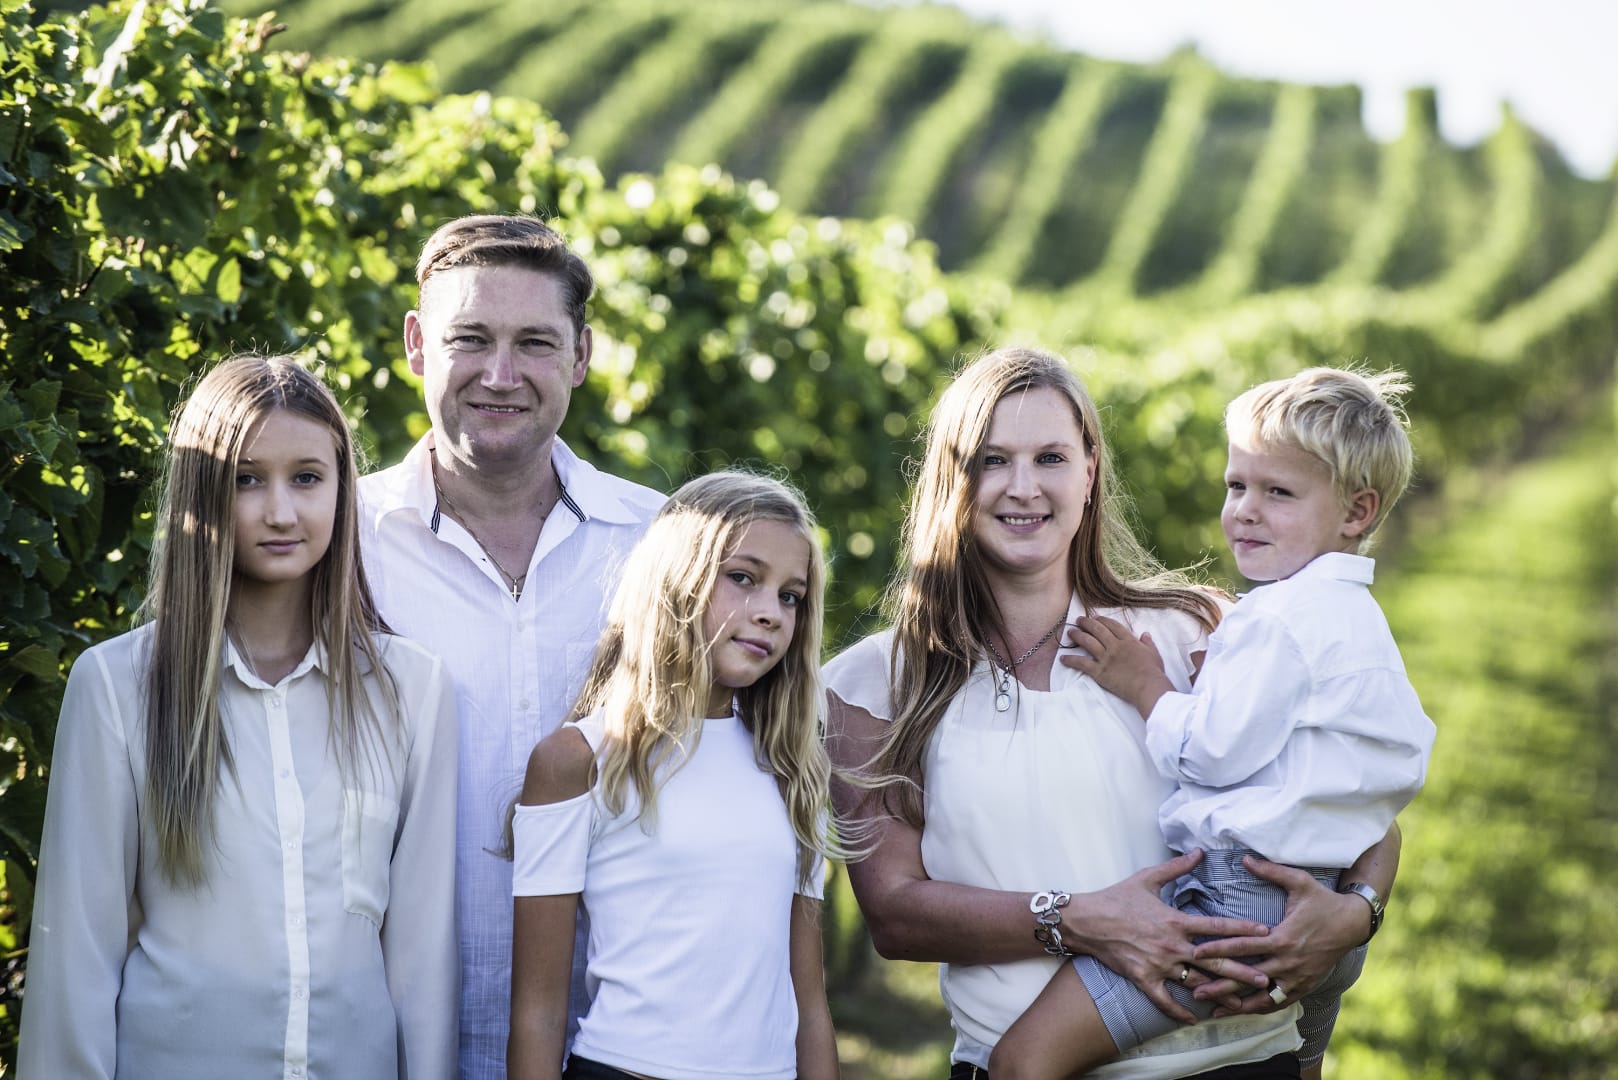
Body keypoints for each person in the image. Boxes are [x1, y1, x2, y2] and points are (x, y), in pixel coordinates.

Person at [826, 347, 1402, 1079]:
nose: (1023, 487)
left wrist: (1355, 913)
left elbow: (1355, 805)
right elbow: (896, 915)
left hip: (1243, 1061)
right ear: (953, 476)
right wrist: (1078, 919)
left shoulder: (1197, 633)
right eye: (992, 460)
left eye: (1051, 458)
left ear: (1090, 469)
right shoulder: (875, 684)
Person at [990, 366, 1436, 1079]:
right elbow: (1386, 767)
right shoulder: (1358, 622)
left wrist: (1149, 686)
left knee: (1023, 1059)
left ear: (1356, 512)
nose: (1245, 512)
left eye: (1278, 493)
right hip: (1322, 908)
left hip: (1237, 903)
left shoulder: (1277, 619)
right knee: (1296, 1062)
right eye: (1236, 486)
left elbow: (1209, 754)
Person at [19, 355, 458, 1079]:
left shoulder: (411, 691)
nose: (280, 512)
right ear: (202, 495)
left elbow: (422, 961)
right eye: (246, 480)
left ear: (343, 490)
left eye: (307, 478)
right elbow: (76, 958)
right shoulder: (115, 687)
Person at [358, 214, 664, 1078]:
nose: (501, 374)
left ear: (581, 355)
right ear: (417, 345)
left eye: (535, 342)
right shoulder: (341, 540)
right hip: (387, 1039)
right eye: (470, 338)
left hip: (611, 1044)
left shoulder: (660, 543)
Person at [507, 471, 841, 1080]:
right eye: (743, 578)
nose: (770, 613)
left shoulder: (794, 771)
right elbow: (537, 1013)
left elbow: (810, 1006)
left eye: (790, 596)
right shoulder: (577, 760)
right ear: (675, 581)